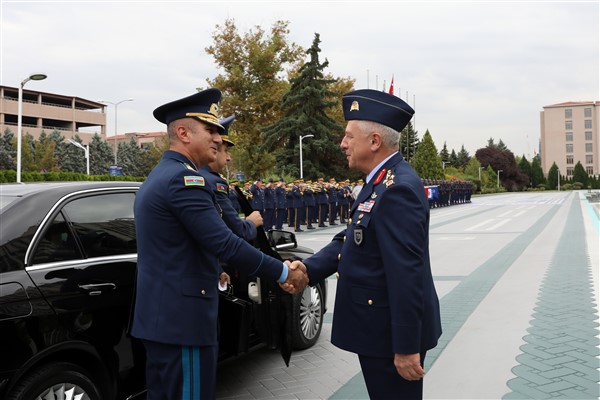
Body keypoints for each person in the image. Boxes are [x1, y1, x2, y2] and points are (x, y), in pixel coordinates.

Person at [131, 88, 307, 400]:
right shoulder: (184, 181)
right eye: (210, 130)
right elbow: (226, 243)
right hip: (183, 322)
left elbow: (182, 243)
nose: (217, 138)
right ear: (183, 133)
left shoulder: (165, 174)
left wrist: (212, 269)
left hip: (165, 320)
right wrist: (282, 272)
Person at [287, 89, 442, 399]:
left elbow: (406, 273)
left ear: (374, 141)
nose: (343, 144)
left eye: (349, 137)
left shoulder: (397, 188)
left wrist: (406, 347)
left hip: (390, 337)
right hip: (379, 330)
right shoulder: (380, 182)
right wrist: (308, 268)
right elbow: (353, 238)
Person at [199, 114, 262, 242]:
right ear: (214, 151)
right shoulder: (214, 182)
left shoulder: (198, 174)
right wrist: (251, 222)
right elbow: (238, 232)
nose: (229, 158)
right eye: (226, 151)